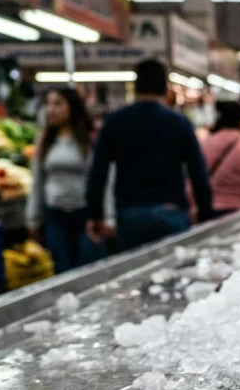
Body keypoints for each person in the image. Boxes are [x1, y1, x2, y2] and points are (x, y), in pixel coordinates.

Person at [86, 59, 214, 252]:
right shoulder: (179, 123)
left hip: (130, 214)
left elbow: (98, 172)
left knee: (135, 269)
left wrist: (95, 214)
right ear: (165, 87)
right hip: (171, 212)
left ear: (135, 86)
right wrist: (205, 213)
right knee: (176, 268)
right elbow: (198, 172)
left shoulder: (115, 121)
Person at [25, 88, 108, 272]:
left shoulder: (91, 138)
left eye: (58, 104)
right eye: (48, 104)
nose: (51, 109)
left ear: (72, 106)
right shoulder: (45, 139)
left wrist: (108, 216)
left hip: (87, 215)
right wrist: (33, 219)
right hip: (55, 215)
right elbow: (37, 180)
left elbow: (104, 178)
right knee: (62, 270)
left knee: (90, 270)